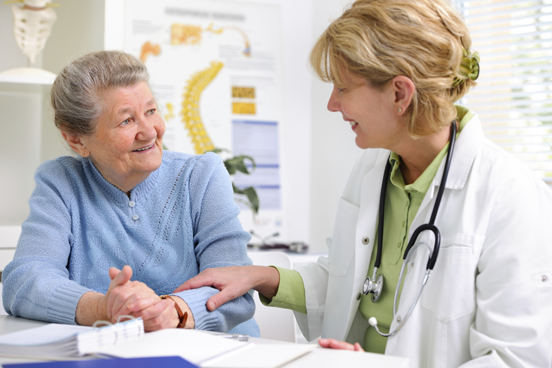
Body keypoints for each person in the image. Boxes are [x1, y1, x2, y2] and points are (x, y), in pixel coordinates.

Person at [175, 0, 552, 366]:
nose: (332, 104)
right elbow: (352, 285)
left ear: (400, 94)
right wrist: (262, 277)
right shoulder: (374, 165)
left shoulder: (510, 195)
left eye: (343, 87)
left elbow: (514, 358)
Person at [2, 50, 259, 336]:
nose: (149, 132)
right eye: (126, 121)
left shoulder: (201, 175)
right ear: (76, 139)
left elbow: (235, 288)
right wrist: (103, 309)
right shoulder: (61, 182)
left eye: (151, 111)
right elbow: (24, 281)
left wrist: (170, 311)